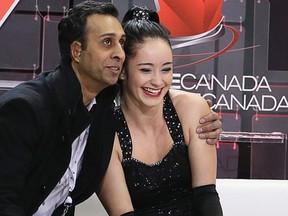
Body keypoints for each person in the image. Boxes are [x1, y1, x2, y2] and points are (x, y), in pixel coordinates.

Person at [0, 1, 221, 216]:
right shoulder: (28, 109)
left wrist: (195, 111)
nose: (119, 53)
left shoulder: (98, 112)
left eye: (121, 43)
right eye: (107, 42)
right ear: (77, 51)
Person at [97, 6, 223, 216]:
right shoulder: (107, 132)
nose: (158, 81)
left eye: (166, 69)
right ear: (122, 72)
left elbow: (207, 198)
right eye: (145, 69)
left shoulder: (192, 109)